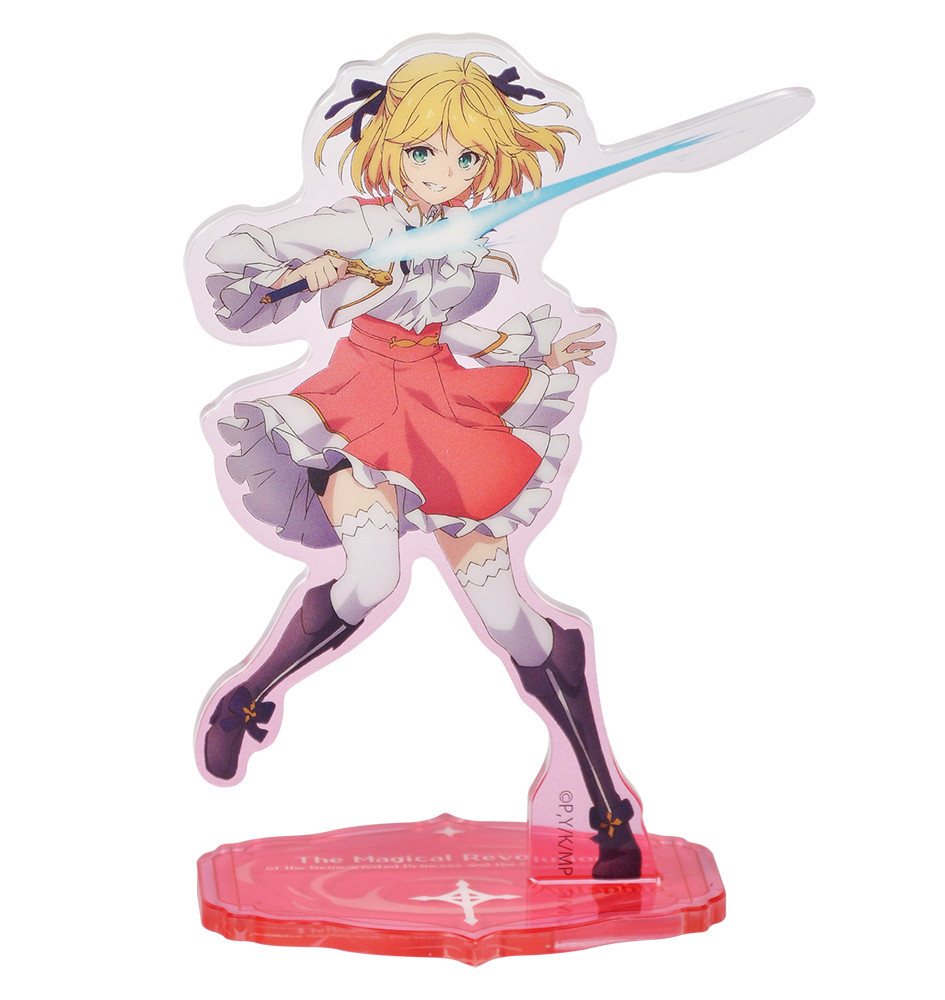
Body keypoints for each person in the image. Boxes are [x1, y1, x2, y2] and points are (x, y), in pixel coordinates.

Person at [198, 52, 641, 879]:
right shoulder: (357, 224)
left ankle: (604, 801)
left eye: (466, 156)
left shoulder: (469, 237)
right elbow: (233, 262)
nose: (445, 172)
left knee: (508, 617)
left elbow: (448, 327)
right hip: (357, 407)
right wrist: (302, 272)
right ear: (391, 143)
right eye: (424, 151)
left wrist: (539, 348)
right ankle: (246, 697)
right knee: (371, 577)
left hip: (443, 407)